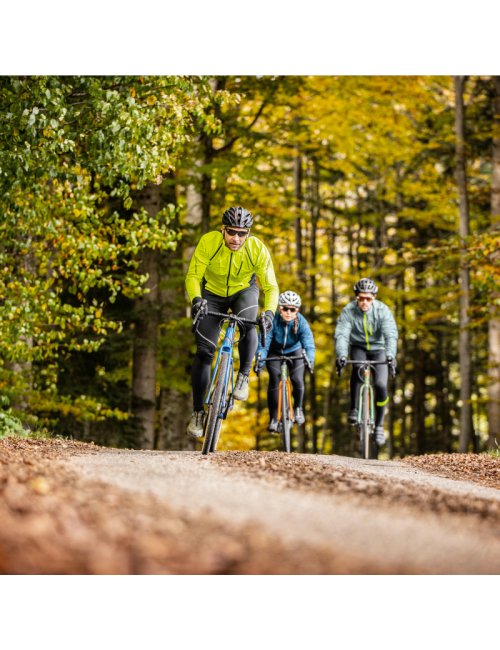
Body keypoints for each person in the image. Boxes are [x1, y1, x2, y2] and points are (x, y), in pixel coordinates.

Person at [185, 206, 279, 437]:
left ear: (248, 233)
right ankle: (198, 412)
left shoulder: (257, 249)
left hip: (243, 291)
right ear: (223, 229)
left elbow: (271, 287)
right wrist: (197, 299)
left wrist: (269, 313)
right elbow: (194, 276)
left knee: (249, 323)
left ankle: (243, 377)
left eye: (242, 233)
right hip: (212, 294)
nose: (236, 238)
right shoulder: (209, 242)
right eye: (231, 232)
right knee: (205, 352)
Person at [334, 278, 398, 446]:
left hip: (379, 349)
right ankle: (354, 408)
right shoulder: (348, 311)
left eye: (368, 298)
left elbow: (391, 334)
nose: (364, 302)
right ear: (356, 298)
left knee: (382, 386)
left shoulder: (382, 311)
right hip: (358, 347)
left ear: (374, 298)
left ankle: (379, 426)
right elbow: (342, 334)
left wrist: (390, 356)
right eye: (361, 298)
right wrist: (341, 354)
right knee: (358, 368)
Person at [255, 290, 315, 432]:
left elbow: (309, 343)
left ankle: (298, 408)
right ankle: (273, 419)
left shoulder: (301, 322)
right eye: (285, 308)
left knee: (297, 378)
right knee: (274, 380)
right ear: (280, 308)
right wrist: (260, 361)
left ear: (297, 310)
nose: (288, 312)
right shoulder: (273, 321)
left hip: (294, 350)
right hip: (274, 352)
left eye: (292, 309)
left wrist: (310, 360)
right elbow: (263, 343)